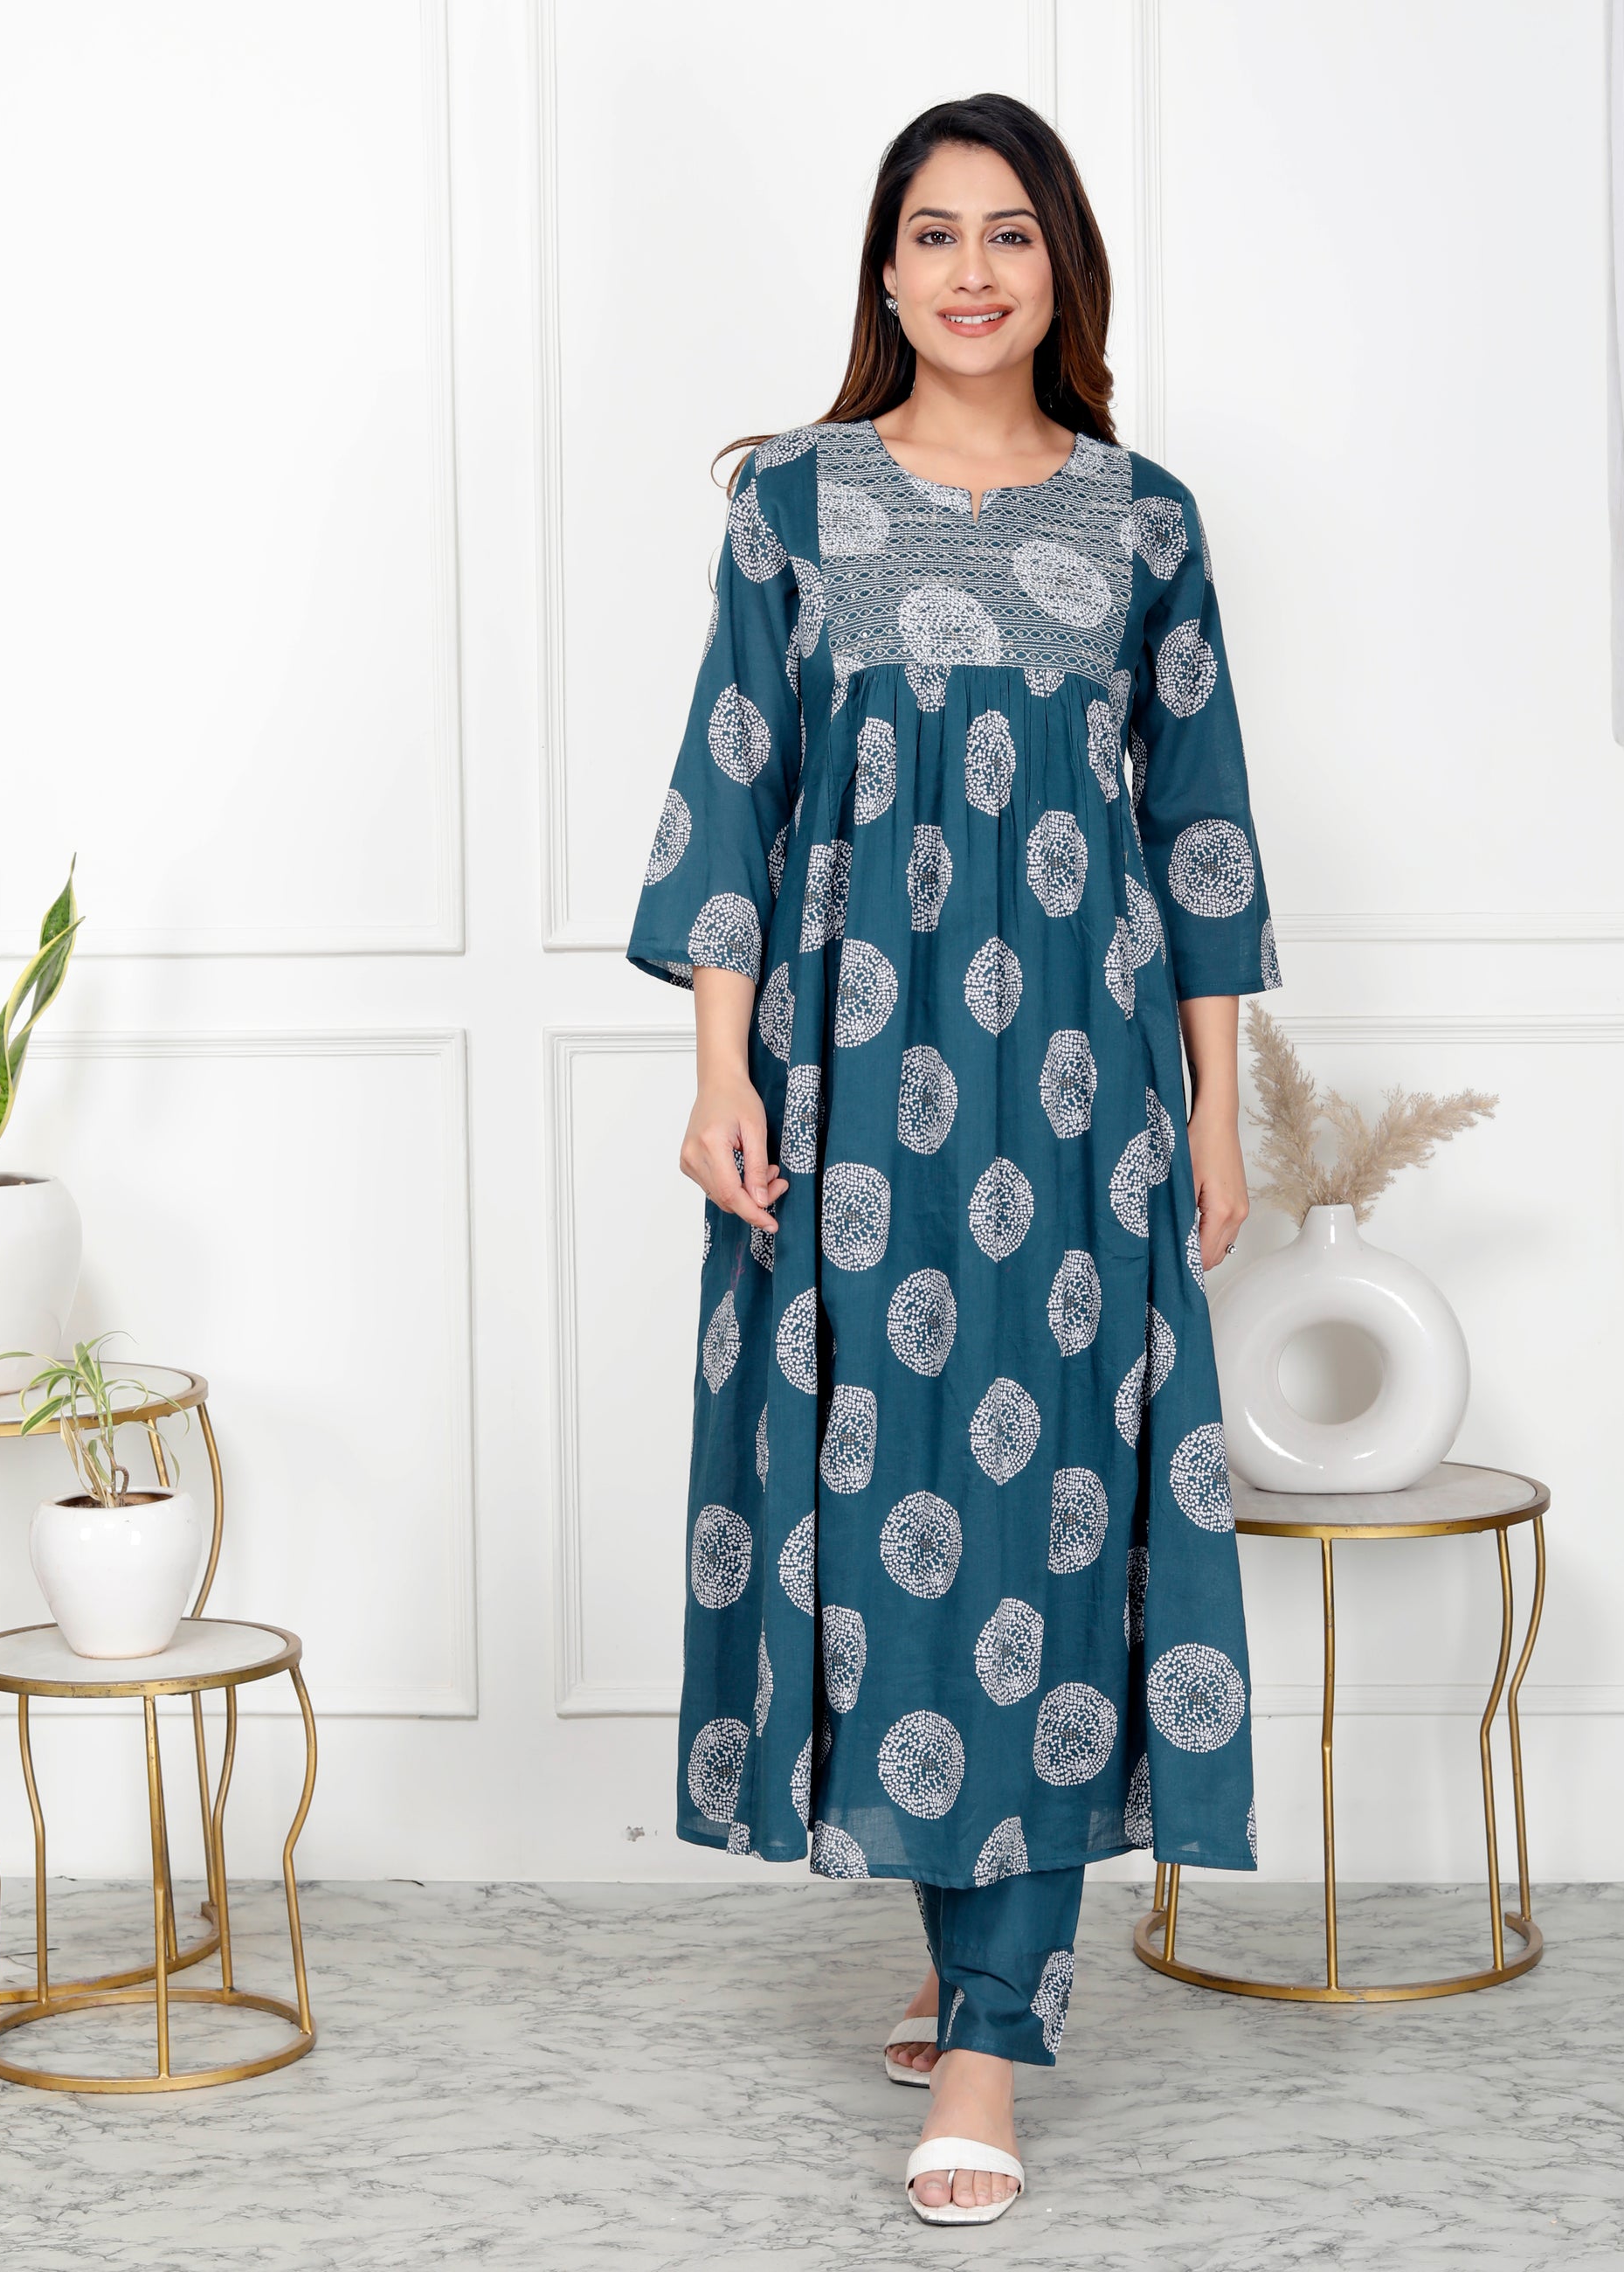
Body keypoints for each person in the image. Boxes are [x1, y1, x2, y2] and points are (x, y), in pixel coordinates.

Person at [626, 89, 1279, 2227]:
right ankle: (963, 1938)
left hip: (1079, 1103)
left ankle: (992, 2029)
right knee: (886, 1500)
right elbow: (732, 789)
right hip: (838, 1093)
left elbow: (1200, 827)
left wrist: (1217, 1100)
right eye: (933, 233)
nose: (973, 269)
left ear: (1059, 266)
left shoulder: (1143, 519)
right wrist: (716, 1073)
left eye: (1009, 232)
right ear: (885, 271)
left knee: (1049, 1506)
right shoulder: (792, 506)